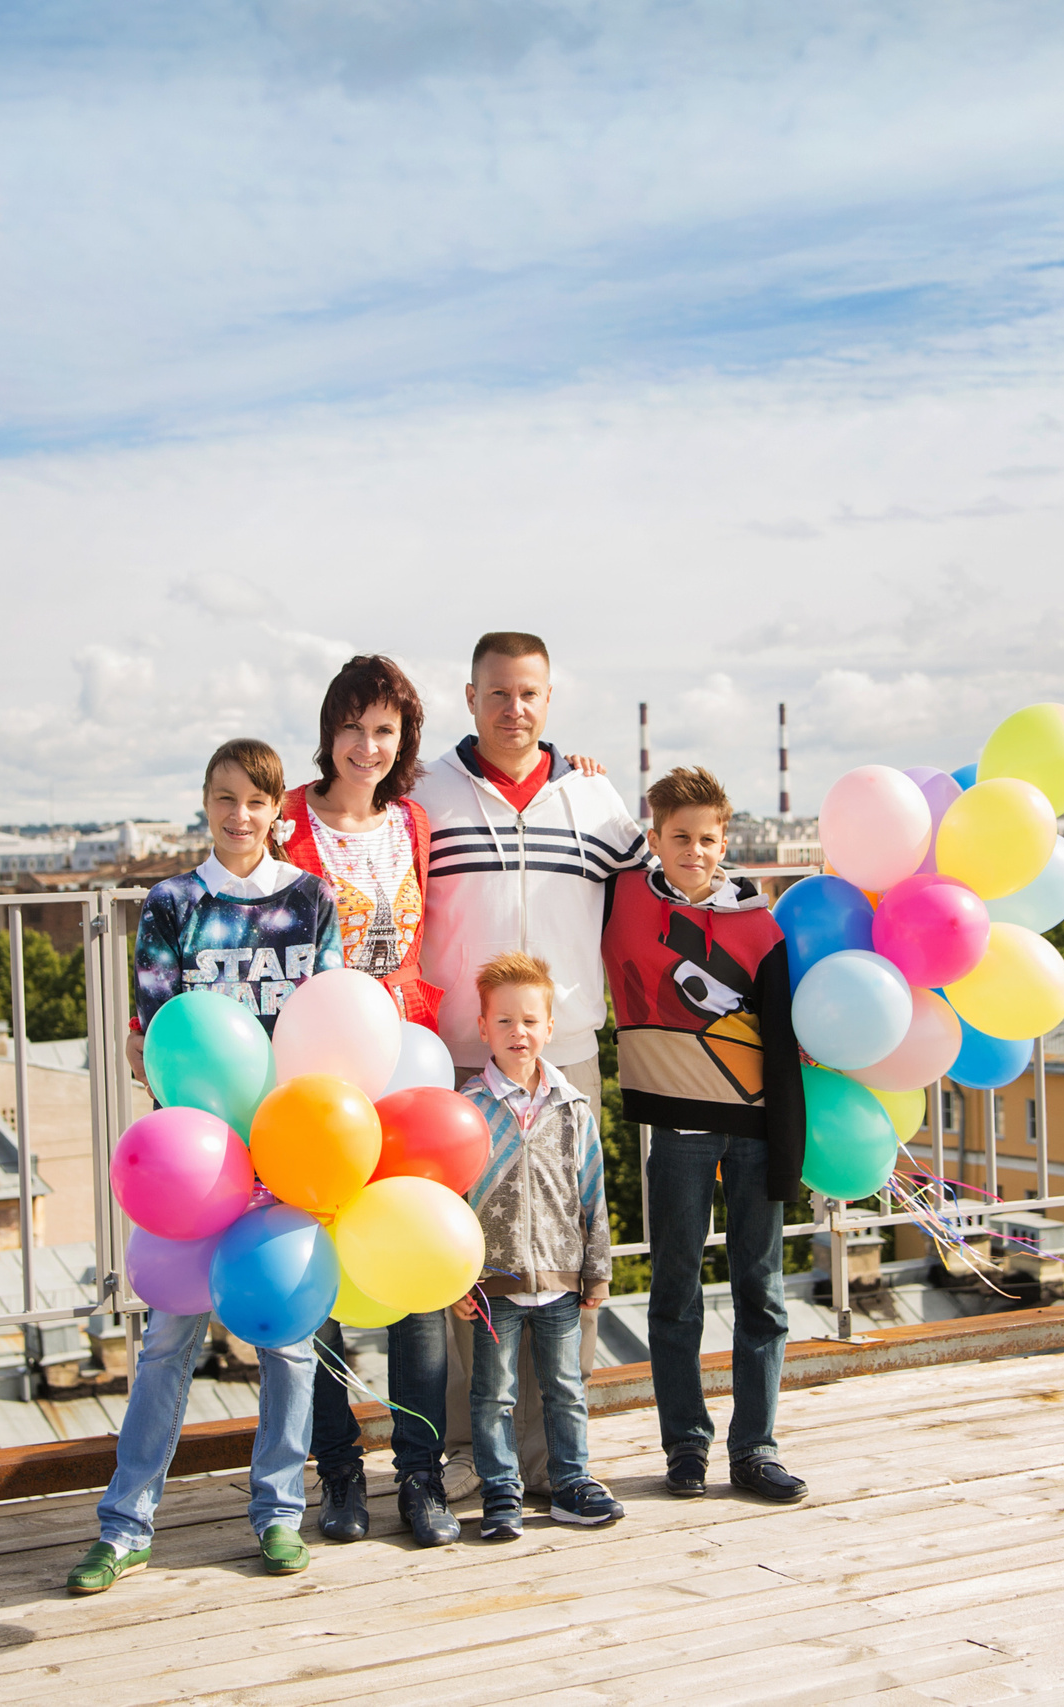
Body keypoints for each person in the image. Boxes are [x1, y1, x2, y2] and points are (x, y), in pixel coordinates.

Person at [66, 738, 343, 1595]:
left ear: (277, 810)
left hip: (286, 1149)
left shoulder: (311, 899)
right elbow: (159, 1036)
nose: (239, 815)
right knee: (167, 1340)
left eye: (256, 801)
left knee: (289, 1341)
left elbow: (331, 1024)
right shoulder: (173, 903)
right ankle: (125, 1523)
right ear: (205, 802)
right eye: (225, 797)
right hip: (196, 1156)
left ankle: (278, 1511)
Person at [410, 630, 645, 1490]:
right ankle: (477, 1456)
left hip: (565, 1059)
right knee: (463, 1261)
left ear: (551, 700)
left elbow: (656, 891)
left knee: (567, 1260)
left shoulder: (590, 793)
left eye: (530, 693)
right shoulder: (425, 792)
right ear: (470, 698)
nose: (516, 709)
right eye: (499, 693)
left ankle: (557, 1461)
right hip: (457, 1065)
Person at [280, 655, 460, 1549]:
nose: (367, 745)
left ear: (404, 740)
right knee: (315, 1282)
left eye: (384, 729)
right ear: (329, 732)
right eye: (352, 726)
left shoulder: (414, 821)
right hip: (314, 1077)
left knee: (417, 1271)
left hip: (407, 1069)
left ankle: (421, 1476)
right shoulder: (287, 820)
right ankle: (339, 1472)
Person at [602, 765, 809, 1504]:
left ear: (727, 842)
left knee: (763, 1292)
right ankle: (685, 1446)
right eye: (679, 837)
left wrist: (789, 1154)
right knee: (674, 1292)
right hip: (678, 1130)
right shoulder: (623, 897)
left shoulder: (761, 925)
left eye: (708, 839)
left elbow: (782, 1044)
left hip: (754, 1129)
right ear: (654, 839)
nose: (694, 851)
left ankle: (755, 1449)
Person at [455, 951, 620, 1540]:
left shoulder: (572, 1107)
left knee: (566, 1389)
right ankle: (501, 1491)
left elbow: (592, 1191)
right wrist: (456, 1281)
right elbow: (451, 1203)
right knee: (493, 1394)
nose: (517, 1032)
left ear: (550, 1027)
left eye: (529, 1021)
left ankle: (571, 1481)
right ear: (483, 1028)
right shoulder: (468, 1109)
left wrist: (596, 1271)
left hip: (560, 1279)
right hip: (491, 1283)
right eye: (504, 1021)